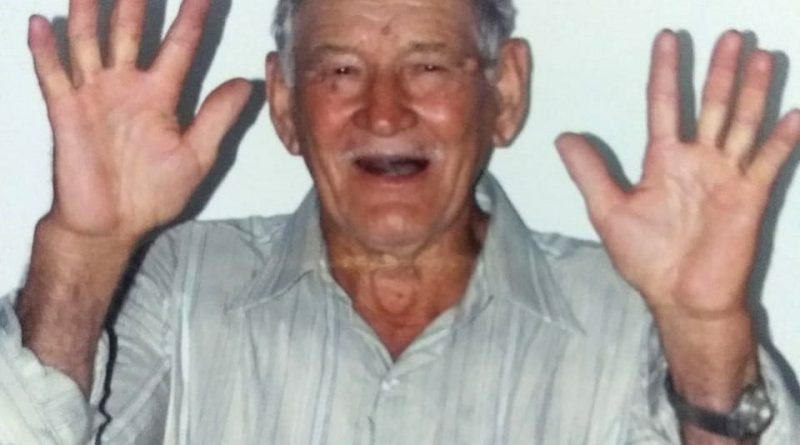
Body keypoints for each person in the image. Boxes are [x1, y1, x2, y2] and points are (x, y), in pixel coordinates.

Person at [1, 0, 798, 443]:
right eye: (341, 69)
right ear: (285, 104)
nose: (384, 112)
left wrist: (705, 332)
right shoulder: (178, 286)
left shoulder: (630, 319)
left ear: (505, 94)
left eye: (428, 65)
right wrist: (84, 248)